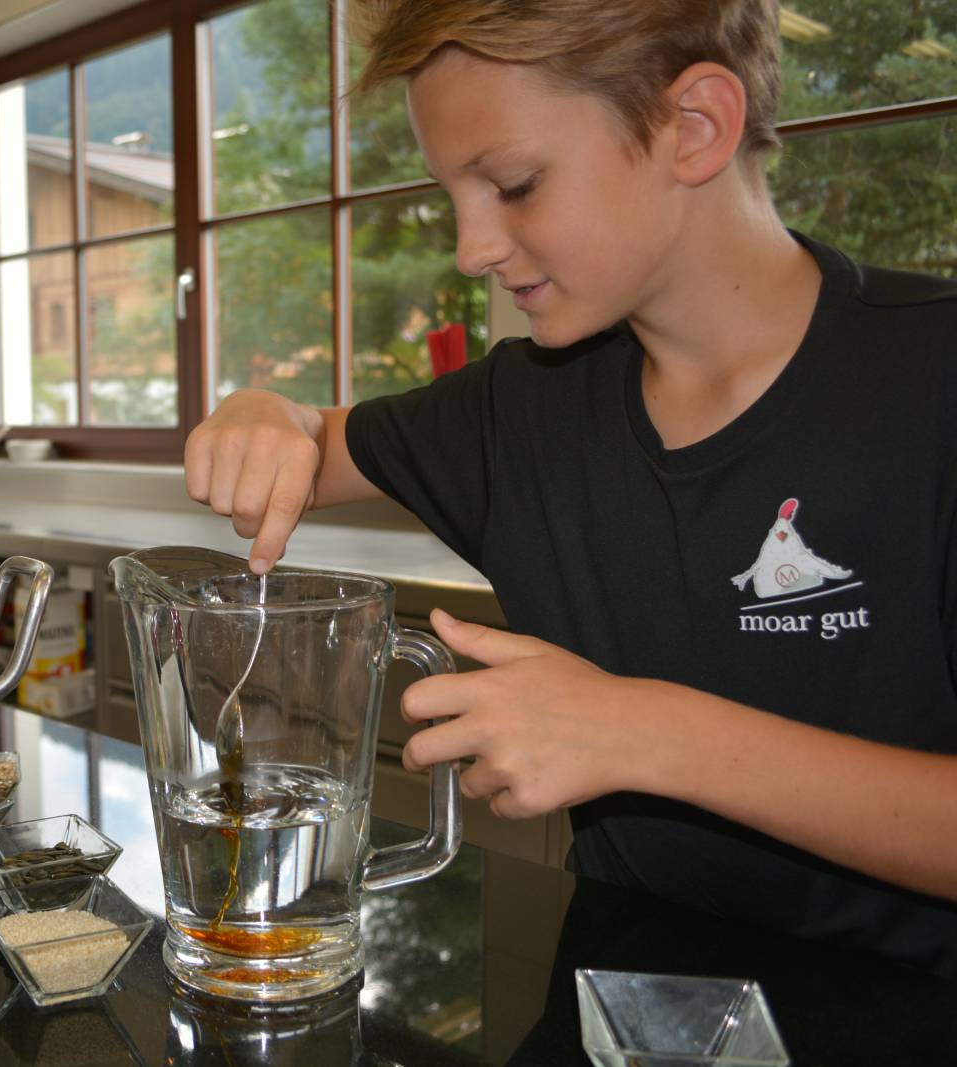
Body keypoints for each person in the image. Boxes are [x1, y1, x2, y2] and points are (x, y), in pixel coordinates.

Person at [183, 0, 957, 977]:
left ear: (693, 128)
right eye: (452, 196)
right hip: (611, 1007)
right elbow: (310, 437)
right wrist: (259, 409)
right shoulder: (520, 409)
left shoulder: (931, 380)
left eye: (513, 184)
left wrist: (649, 731)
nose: (472, 247)